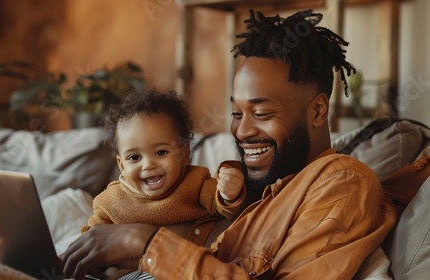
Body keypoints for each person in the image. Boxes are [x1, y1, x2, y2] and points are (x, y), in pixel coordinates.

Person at [60, 9, 397, 280]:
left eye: (262, 112)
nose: (242, 131)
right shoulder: (263, 184)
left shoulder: (343, 182)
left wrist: (143, 242)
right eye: (237, 112)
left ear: (318, 110)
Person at [81, 88, 246, 232]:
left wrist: (229, 195)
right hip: (131, 267)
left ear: (184, 154)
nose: (148, 165)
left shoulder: (196, 183)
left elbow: (221, 206)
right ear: (122, 165)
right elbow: (91, 240)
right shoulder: (110, 203)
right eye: (134, 157)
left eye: (160, 152)